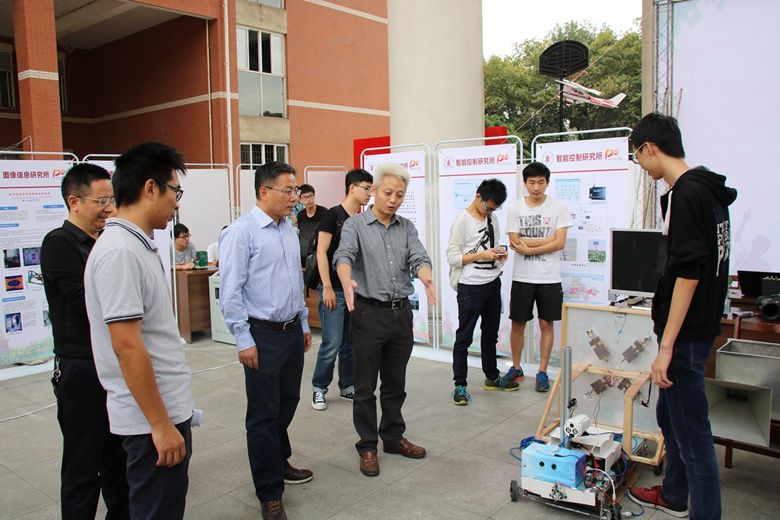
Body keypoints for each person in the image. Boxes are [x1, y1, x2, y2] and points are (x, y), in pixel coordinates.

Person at [627, 113, 735, 520]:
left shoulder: (689, 194)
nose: (640, 166)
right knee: (669, 418)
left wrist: (667, 347)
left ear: (649, 148)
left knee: (693, 437)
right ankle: (674, 492)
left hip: (686, 336)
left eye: (637, 157)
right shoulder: (705, 191)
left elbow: (689, 274)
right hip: (693, 329)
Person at [84, 142, 195, 520]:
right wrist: (160, 425)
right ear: (150, 188)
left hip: (159, 412)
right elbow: (127, 347)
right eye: (174, 191)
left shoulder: (134, 245)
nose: (176, 203)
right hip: (151, 421)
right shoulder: (120, 252)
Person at [218, 161, 313, 520]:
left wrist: (303, 322)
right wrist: (243, 339)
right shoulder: (241, 232)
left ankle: (278, 460)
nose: (295, 198)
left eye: (296, 191)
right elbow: (230, 292)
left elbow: (294, 280)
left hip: (291, 332)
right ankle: (269, 491)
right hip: (262, 335)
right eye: (288, 191)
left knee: (287, 402)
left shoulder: (288, 228)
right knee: (263, 414)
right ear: (264, 192)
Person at [334, 162, 437, 478]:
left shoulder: (406, 227)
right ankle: (367, 446)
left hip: (400, 314)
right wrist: (345, 278)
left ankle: (392, 437)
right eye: (388, 192)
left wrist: (426, 276)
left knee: (395, 383)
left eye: (400, 195)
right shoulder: (355, 225)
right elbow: (343, 256)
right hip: (368, 314)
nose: (393, 200)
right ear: (374, 190)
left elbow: (419, 257)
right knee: (364, 387)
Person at [41, 163, 130, 520]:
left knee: (118, 459)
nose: (109, 208)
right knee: (83, 465)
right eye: (101, 201)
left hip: (111, 362)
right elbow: (87, 304)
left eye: (112, 200)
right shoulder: (59, 243)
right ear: (74, 202)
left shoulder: (104, 241)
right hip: (80, 367)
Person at [446, 179, 517, 405]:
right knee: (464, 337)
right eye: (488, 207)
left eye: (494, 209)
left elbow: (492, 247)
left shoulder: (492, 219)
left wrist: (498, 255)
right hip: (470, 286)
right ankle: (460, 385)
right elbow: (453, 258)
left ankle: (492, 377)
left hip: (492, 283)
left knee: (490, 334)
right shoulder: (461, 221)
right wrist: (481, 255)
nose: (490, 212)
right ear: (478, 196)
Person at [505, 161, 571, 392]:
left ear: (547, 183)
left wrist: (529, 248)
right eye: (532, 182)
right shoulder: (515, 207)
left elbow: (560, 243)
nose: (536, 187)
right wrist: (548, 240)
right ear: (524, 183)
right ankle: (516, 367)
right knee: (517, 323)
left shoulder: (558, 206)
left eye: (541, 182)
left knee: (546, 324)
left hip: (549, 278)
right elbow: (515, 241)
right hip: (522, 276)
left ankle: (542, 371)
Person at [311, 168, 373, 411]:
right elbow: (321, 252)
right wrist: (326, 287)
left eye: (371, 189)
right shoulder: (333, 215)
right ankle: (319, 388)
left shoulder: (361, 219)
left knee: (350, 342)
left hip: (354, 291)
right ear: (352, 187)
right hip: (334, 290)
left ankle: (347, 386)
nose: (370, 193)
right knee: (332, 343)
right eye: (366, 188)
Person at [296, 184, 328, 266]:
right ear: (300, 199)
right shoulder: (300, 215)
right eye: (304, 197)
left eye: (310, 196)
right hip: (305, 252)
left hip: (320, 251)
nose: (308, 200)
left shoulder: (324, 212)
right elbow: (300, 233)